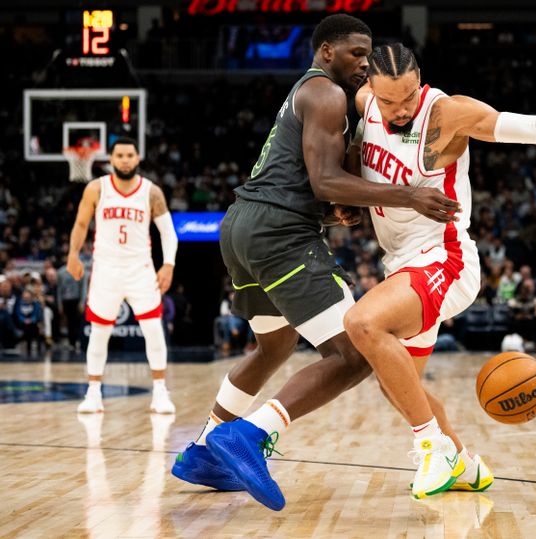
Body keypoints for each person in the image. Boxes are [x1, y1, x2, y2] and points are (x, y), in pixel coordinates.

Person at [171, 15, 460, 511]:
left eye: (368, 54)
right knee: (354, 352)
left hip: (241, 228)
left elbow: (315, 186)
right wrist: (408, 196)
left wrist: (331, 210)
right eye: (355, 53)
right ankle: (251, 436)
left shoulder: (309, 94)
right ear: (326, 51)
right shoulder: (326, 94)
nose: (365, 62)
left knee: (274, 346)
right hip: (279, 234)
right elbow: (325, 180)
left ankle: (202, 448)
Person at [343, 43, 536, 498]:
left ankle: (432, 447)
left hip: (446, 258)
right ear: (371, 91)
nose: (399, 110)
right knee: (396, 386)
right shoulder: (367, 104)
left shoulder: (447, 113)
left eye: (407, 97)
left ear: (420, 80)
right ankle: (462, 464)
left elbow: (528, 127)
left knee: (363, 322)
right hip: (401, 265)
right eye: (388, 101)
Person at [67, 137, 179, 414]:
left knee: (153, 330)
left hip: (140, 269)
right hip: (105, 268)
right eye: (120, 155)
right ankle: (93, 393)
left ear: (137, 158)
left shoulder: (151, 192)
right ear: (111, 159)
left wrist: (168, 264)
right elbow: (81, 223)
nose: (125, 159)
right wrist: (72, 253)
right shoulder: (96, 188)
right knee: (100, 332)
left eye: (130, 155)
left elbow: (168, 232)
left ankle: (160, 392)